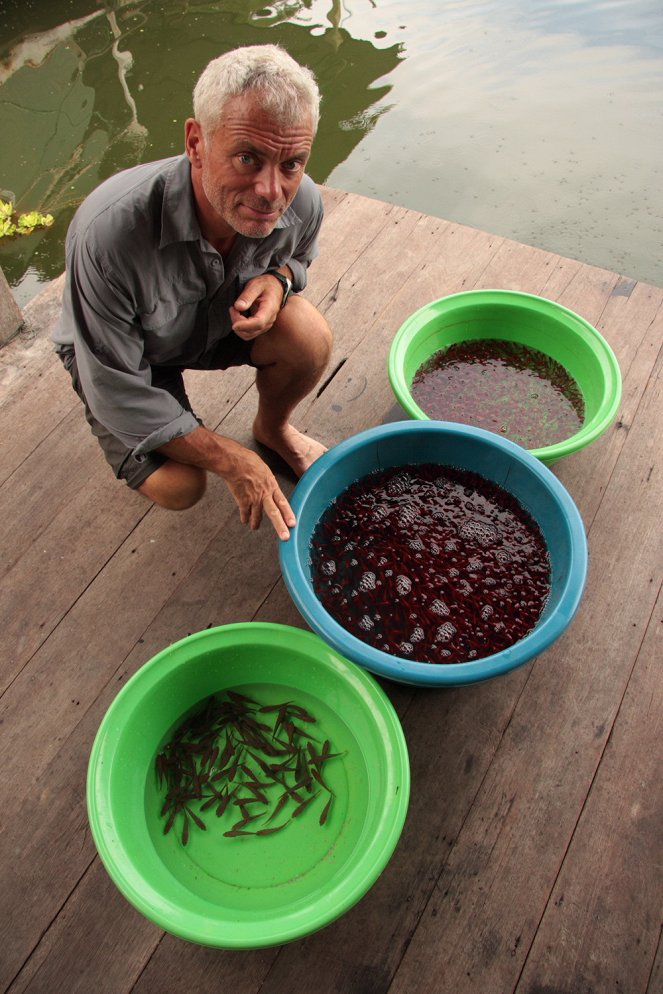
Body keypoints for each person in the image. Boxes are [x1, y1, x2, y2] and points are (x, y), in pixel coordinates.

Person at [53, 44, 332, 541]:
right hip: (124, 357)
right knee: (181, 487)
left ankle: (273, 429)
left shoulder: (302, 199)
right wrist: (230, 458)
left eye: (292, 163)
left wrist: (281, 280)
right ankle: (222, 442)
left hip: (216, 326)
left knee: (307, 334)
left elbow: (300, 254)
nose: (271, 191)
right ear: (196, 141)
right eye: (248, 158)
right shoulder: (108, 235)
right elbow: (115, 388)